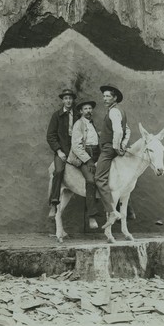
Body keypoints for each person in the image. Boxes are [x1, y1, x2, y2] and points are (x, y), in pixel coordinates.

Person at [95, 84, 131, 229]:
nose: (105, 98)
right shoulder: (119, 111)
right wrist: (123, 144)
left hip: (108, 149)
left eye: (108, 96)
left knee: (99, 178)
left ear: (115, 98)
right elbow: (127, 130)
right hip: (112, 147)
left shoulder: (114, 112)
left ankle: (112, 211)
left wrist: (116, 147)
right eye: (104, 96)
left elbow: (118, 132)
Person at [67, 100, 100, 229]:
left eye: (90, 108)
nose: (88, 111)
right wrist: (89, 160)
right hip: (83, 156)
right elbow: (76, 146)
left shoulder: (92, 124)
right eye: (85, 109)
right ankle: (91, 216)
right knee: (91, 181)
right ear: (81, 111)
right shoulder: (78, 124)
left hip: (96, 153)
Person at [46, 89, 78, 218]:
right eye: (66, 98)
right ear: (62, 100)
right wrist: (59, 151)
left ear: (73, 100)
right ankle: (54, 203)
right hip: (62, 151)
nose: (68, 101)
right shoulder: (56, 115)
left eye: (70, 98)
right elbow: (50, 136)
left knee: (90, 171)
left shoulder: (78, 115)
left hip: (76, 151)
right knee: (58, 171)